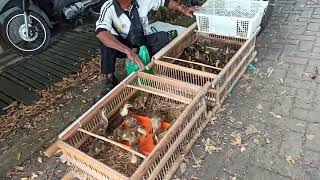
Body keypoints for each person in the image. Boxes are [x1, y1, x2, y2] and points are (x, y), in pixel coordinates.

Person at [96, 0, 198, 97]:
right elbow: (101, 33)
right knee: (106, 42)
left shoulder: (142, 1)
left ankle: (148, 61)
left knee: (164, 38)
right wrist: (127, 51)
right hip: (123, 46)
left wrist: (182, 8)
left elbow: (164, 1)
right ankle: (110, 79)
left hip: (143, 41)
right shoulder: (109, 7)